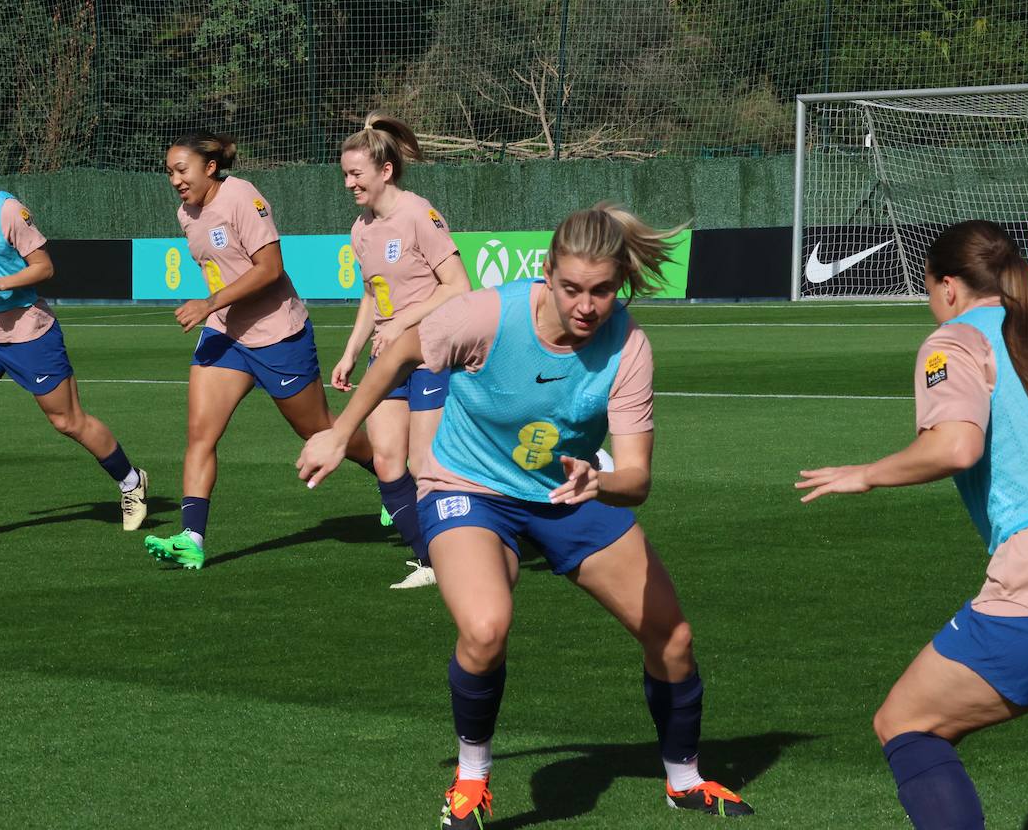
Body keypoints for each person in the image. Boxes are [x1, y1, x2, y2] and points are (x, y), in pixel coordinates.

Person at [299, 204, 754, 826]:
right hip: (468, 484)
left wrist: (603, 482)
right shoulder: (490, 312)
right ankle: (472, 776)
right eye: (571, 288)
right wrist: (338, 430)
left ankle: (683, 779)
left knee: (672, 640)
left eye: (601, 291)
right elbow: (403, 350)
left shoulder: (630, 348)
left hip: (569, 493)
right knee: (485, 627)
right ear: (547, 274)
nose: (586, 305)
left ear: (619, 283)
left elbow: (638, 478)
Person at [798, 220, 1028, 830]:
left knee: (906, 723)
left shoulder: (952, 341)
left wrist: (866, 473)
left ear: (948, 286)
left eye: (928, 289)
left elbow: (955, 448)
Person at [144, 131, 376, 569]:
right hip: (225, 335)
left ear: (209, 167)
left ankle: (389, 475)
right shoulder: (186, 213)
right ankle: (191, 537)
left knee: (318, 429)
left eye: (182, 170)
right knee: (200, 434)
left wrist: (209, 302)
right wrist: (215, 310)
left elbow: (270, 269)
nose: (175, 180)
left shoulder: (241, 197)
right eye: (169, 173)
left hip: (277, 335)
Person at [0, 135, 147, 540]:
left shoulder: (9, 212)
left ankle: (131, 481)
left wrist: (2, 280)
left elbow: (44, 267)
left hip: (30, 332)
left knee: (68, 421)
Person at [332, 113, 471, 589]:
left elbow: (457, 285)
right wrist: (350, 351)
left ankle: (466, 545)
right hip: (385, 355)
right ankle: (430, 561)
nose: (349, 183)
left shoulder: (418, 214)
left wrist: (403, 326)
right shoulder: (360, 229)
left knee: (423, 465)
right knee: (388, 463)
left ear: (384, 171)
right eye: (346, 175)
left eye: (356, 175)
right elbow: (372, 297)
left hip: (430, 349)